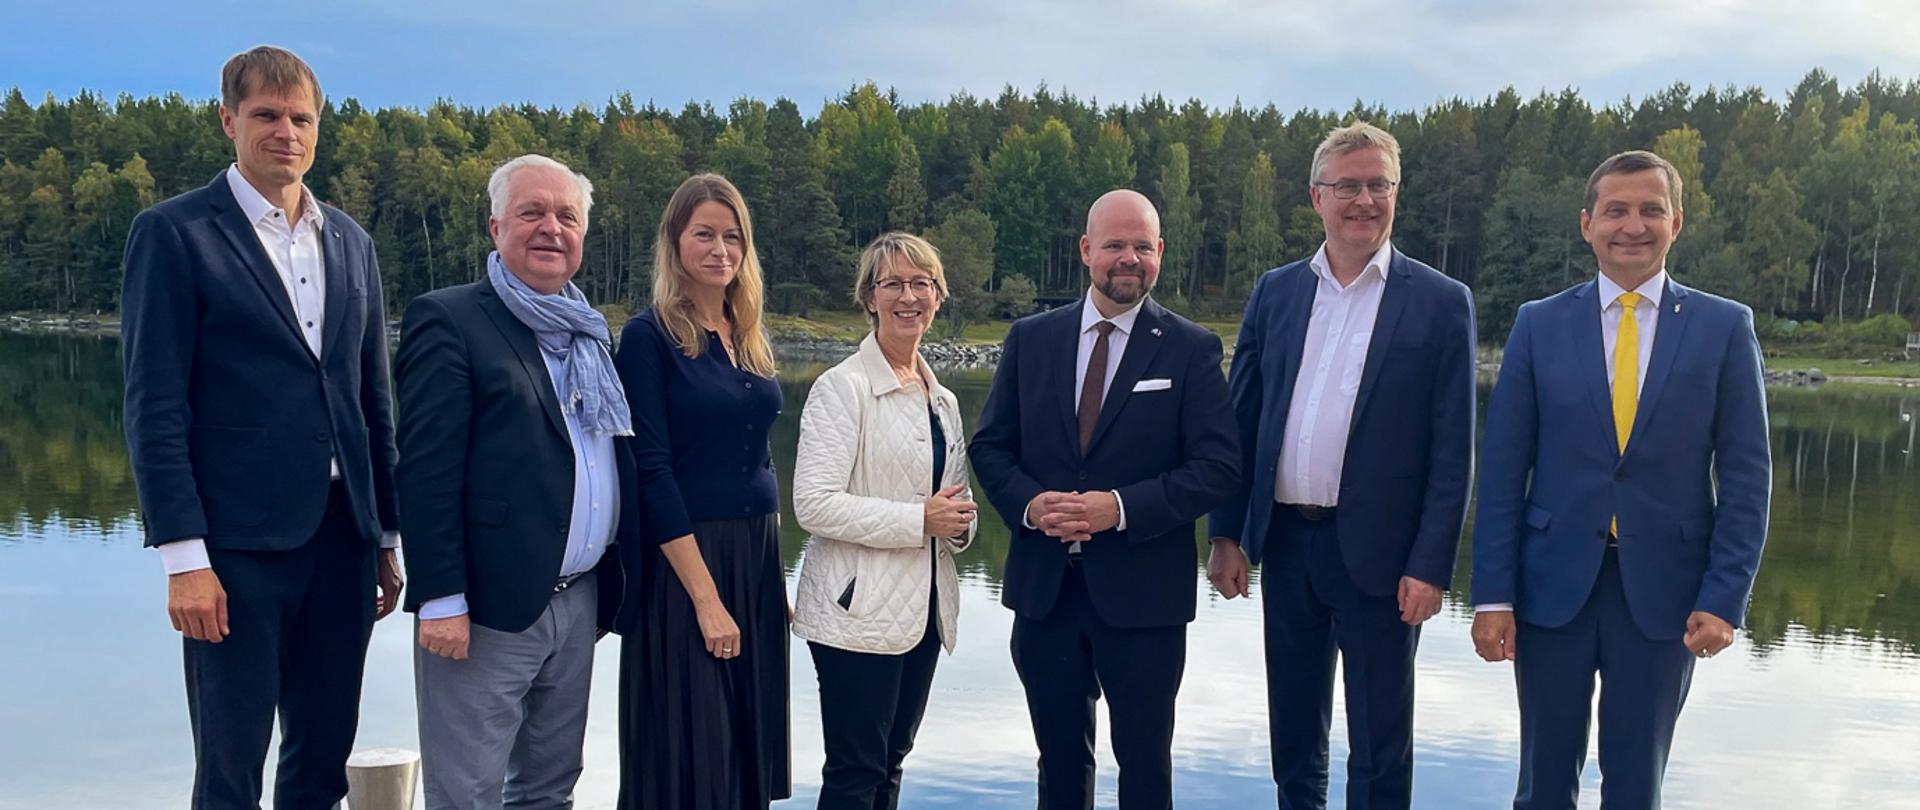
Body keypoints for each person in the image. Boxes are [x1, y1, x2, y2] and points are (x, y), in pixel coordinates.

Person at [120, 45, 403, 809]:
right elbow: (154, 406)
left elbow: (371, 400)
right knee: (230, 765)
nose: (286, 132)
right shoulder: (175, 233)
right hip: (234, 550)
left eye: (301, 118)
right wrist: (184, 558)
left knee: (321, 760)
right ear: (228, 120)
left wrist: (384, 534)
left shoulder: (351, 242)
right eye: (267, 115)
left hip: (343, 542)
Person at [1470, 150, 1771, 809]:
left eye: (1650, 210)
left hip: (1667, 595)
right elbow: (1502, 473)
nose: (1632, 226)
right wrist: (1492, 595)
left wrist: (1725, 597)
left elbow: (1748, 480)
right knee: (1542, 786)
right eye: (1615, 211)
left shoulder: (1724, 328)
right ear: (1587, 224)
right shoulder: (1538, 324)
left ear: (1676, 222)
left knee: (1636, 788)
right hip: (1551, 589)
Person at [1205, 122, 1477, 809]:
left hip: (1385, 560)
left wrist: (1431, 566)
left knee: (1381, 741)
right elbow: (1241, 422)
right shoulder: (1276, 292)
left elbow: (1453, 452)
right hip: (1286, 546)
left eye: (1378, 185)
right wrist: (1227, 533)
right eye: (1348, 186)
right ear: (1316, 196)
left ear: (1396, 193)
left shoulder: (1441, 302)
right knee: (1294, 732)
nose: (1364, 200)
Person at [970, 189, 1240, 810]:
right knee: (1059, 765)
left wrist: (1117, 508)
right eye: (1115, 244)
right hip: (1045, 594)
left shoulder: (1190, 348)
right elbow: (991, 447)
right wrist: (1032, 506)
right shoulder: (1031, 338)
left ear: (1160, 253)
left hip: (1145, 600)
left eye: (1142, 246)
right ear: (1086, 249)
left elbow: (1218, 468)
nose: (1129, 258)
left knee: (1145, 768)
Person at [395, 154, 633, 808]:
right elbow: (425, 471)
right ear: (496, 226)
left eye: (567, 217)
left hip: (579, 600)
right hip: (486, 609)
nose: (551, 228)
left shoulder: (591, 335)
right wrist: (440, 597)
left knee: (550, 790)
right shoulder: (450, 319)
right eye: (532, 213)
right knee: (466, 794)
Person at [614, 173, 791, 809]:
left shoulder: (748, 335)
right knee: (694, 754)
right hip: (687, 565)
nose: (721, 250)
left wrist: (774, 576)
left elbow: (759, 457)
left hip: (755, 559)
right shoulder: (649, 337)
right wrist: (707, 599)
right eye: (704, 234)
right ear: (675, 241)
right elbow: (652, 472)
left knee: (745, 753)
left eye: (732, 236)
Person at [790, 232, 978, 810]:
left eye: (921, 283)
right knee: (856, 771)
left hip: (924, 613)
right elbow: (812, 504)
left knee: (891, 762)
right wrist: (920, 519)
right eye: (892, 283)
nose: (908, 297)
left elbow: (956, 501)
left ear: (939, 296)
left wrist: (959, 525)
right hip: (855, 612)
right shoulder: (841, 388)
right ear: (869, 297)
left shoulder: (943, 400)